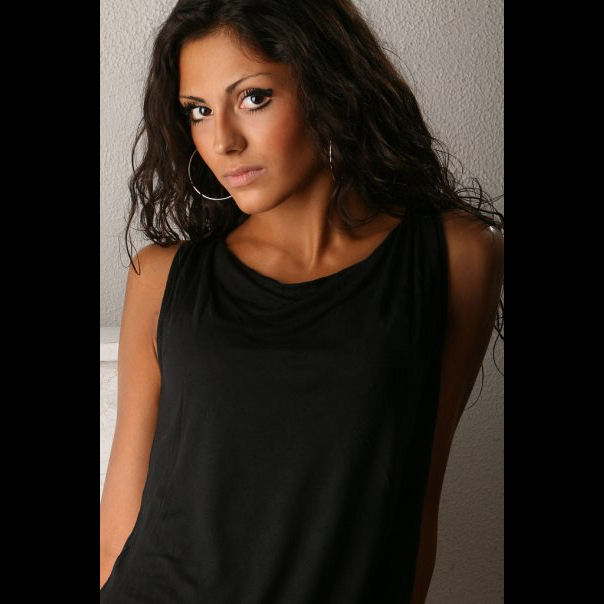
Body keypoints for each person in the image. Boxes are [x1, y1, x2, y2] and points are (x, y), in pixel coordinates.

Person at [100, 0, 504, 602]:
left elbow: (417, 497)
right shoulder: (161, 276)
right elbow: (118, 525)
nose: (222, 140)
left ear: (329, 87)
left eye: (253, 98)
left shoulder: (457, 256)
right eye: (199, 111)